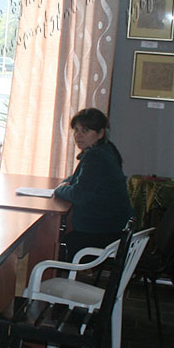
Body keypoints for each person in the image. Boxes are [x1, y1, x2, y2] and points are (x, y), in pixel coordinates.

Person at [53, 108, 132, 259]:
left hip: (103, 233)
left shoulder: (96, 157)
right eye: (76, 130)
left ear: (100, 133)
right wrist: (66, 183)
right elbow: (77, 178)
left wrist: (58, 190)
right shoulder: (106, 149)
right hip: (113, 228)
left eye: (85, 130)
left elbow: (78, 195)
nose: (78, 135)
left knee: (52, 248)